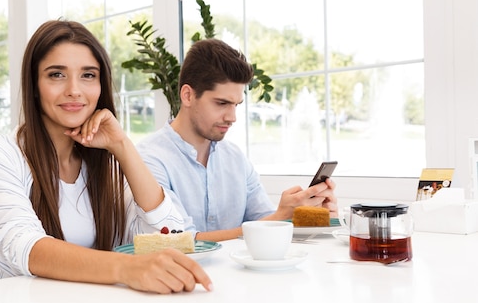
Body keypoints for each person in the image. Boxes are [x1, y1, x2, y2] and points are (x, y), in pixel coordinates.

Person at [0, 20, 212, 303]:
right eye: (56, 75)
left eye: (88, 75)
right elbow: (27, 249)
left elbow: (174, 235)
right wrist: (127, 268)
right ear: (34, 85)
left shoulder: (107, 167)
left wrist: (123, 146)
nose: (74, 90)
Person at [137, 38, 338, 242]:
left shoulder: (235, 158)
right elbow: (182, 242)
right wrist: (279, 217)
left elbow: (265, 222)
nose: (232, 117)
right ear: (188, 96)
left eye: (236, 105)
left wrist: (310, 217)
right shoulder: (148, 160)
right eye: (222, 103)